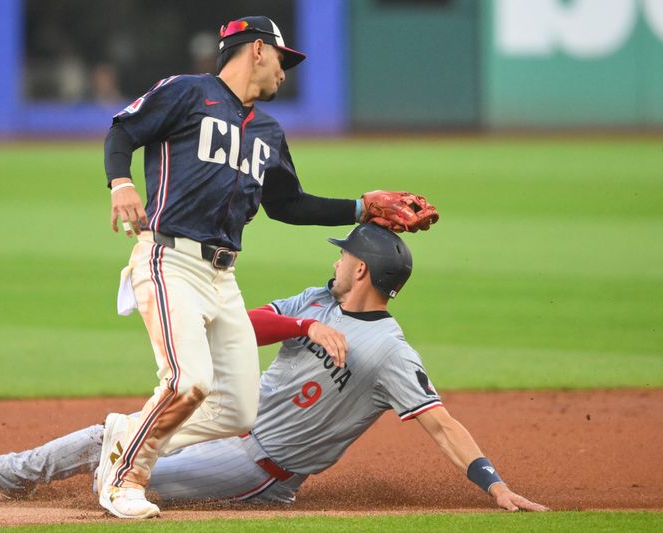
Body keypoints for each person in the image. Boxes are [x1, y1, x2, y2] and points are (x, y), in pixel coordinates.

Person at [0, 224, 546, 514]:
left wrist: (496, 486)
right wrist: (306, 325)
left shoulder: (390, 353)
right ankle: (6, 472)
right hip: (225, 423)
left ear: (363, 271)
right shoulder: (315, 302)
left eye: (346, 257)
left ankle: (16, 475)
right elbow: (239, 329)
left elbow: (440, 423)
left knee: (126, 469)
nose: (336, 262)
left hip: (260, 466)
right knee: (120, 434)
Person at [97, 13, 438, 519]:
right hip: (169, 258)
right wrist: (120, 183)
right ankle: (124, 478)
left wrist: (360, 208)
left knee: (237, 406)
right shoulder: (189, 92)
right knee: (186, 381)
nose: (286, 70)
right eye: (283, 58)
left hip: (221, 275)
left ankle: (128, 434)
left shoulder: (269, 132)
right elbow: (123, 129)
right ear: (256, 50)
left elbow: (288, 205)